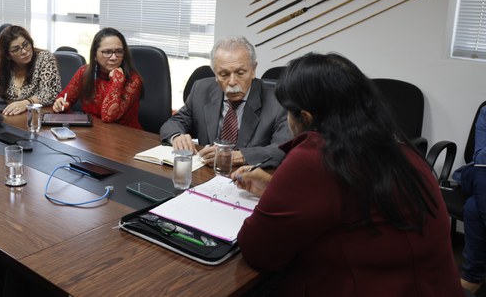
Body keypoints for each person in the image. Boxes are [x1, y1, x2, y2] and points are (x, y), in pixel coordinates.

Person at [231, 53, 461, 296]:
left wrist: (279, 196)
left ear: (306, 117)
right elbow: (347, 202)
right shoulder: (398, 146)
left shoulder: (316, 156)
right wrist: (274, 187)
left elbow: (259, 251)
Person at [159, 36, 290, 167]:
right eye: (224, 74)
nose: (232, 82)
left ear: (253, 70)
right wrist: (177, 137)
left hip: (248, 175)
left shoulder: (278, 102)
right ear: (215, 74)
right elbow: (174, 123)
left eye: (240, 73)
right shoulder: (201, 89)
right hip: (204, 171)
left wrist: (240, 156)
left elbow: (282, 149)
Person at [52, 27, 143, 129]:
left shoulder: (133, 80)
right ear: (95, 54)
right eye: (107, 52)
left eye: (119, 51)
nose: (114, 57)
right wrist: (60, 103)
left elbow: (108, 117)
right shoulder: (85, 72)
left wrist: (117, 80)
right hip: (92, 132)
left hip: (124, 134)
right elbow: (66, 98)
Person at [456, 103, 486, 294]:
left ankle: (472, 276)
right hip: (481, 173)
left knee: (473, 207)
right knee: (482, 171)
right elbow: (480, 157)